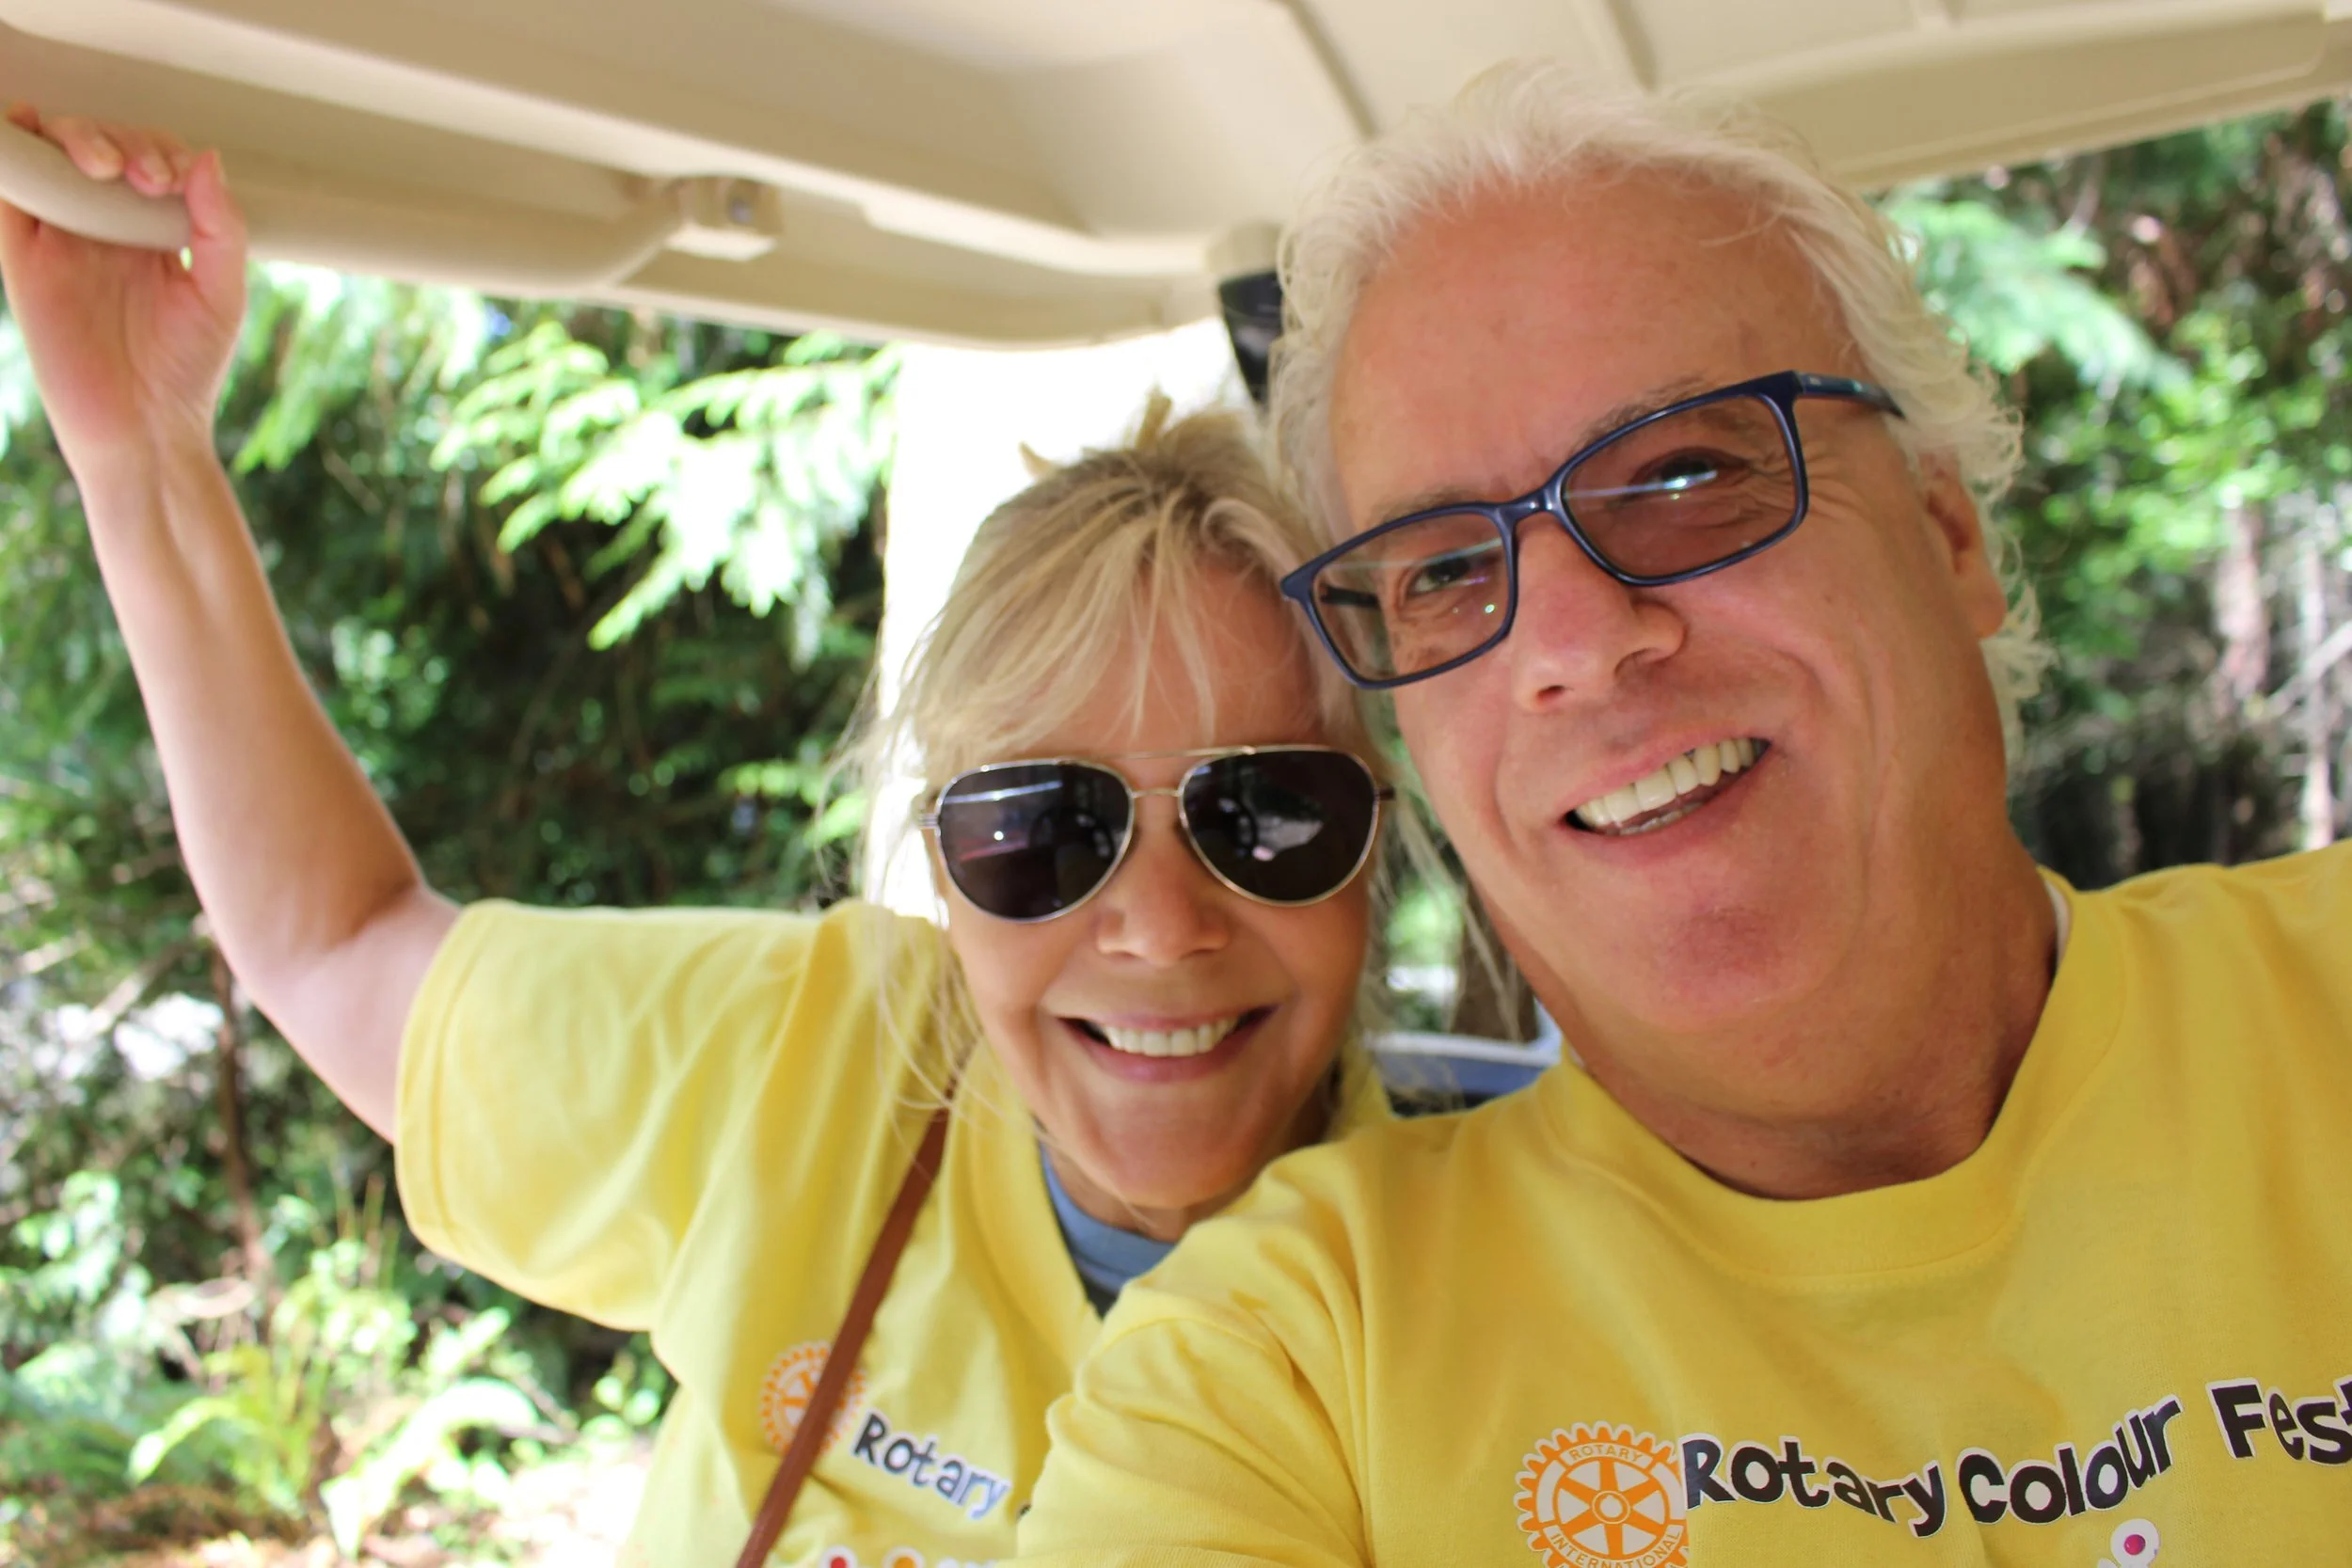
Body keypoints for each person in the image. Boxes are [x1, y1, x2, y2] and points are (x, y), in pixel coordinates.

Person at [0, 109, 1425, 1568]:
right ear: (942, 868)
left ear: (1372, 843)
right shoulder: (816, 1064)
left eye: (1265, 815)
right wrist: (141, 455)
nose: (1160, 924)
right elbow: (335, 944)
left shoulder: (1481, 1296)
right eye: (1045, 831)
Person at [1015, 61, 2352, 1566]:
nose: (1576, 640)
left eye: (1691, 472)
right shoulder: (1288, 1369)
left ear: (1947, 534)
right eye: (1447, 567)